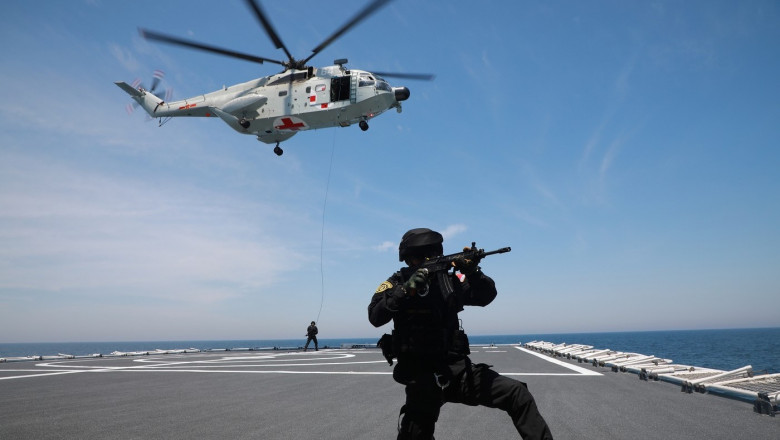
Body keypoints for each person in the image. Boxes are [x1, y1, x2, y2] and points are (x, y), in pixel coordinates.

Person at [368, 228, 553, 439]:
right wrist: (404, 292)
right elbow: (375, 316)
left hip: (457, 372)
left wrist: (474, 272)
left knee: (517, 394)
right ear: (409, 260)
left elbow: (486, 296)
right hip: (420, 379)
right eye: (418, 259)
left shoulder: (449, 281)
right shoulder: (396, 283)